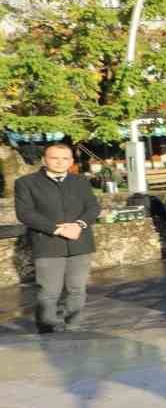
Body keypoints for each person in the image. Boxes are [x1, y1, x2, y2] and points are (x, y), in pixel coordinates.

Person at [14, 142, 99, 333]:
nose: (60, 162)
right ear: (44, 160)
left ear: (71, 161)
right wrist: (56, 229)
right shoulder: (26, 183)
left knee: (77, 289)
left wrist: (79, 225)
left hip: (80, 242)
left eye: (65, 158)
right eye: (55, 158)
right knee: (49, 291)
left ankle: (73, 324)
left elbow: (93, 208)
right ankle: (46, 327)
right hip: (47, 243)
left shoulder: (80, 181)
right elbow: (25, 213)